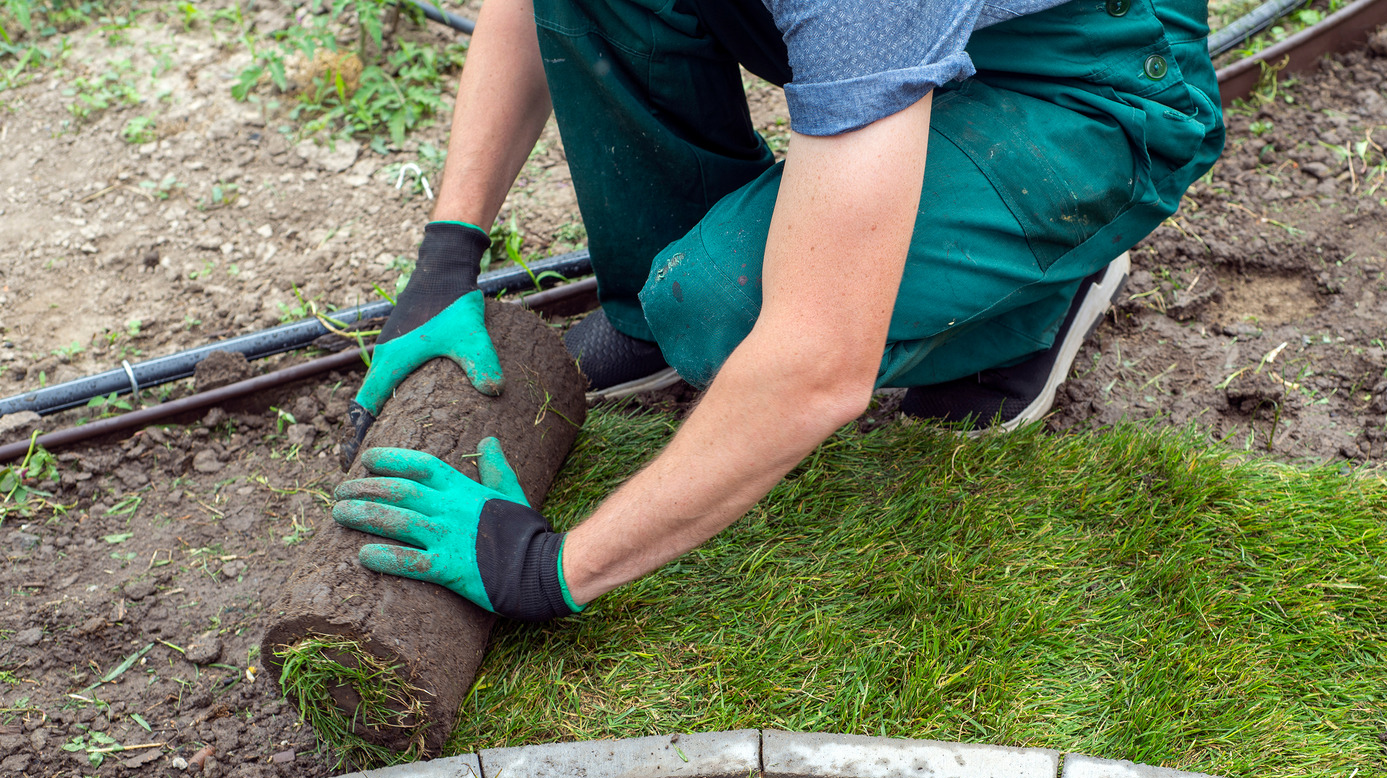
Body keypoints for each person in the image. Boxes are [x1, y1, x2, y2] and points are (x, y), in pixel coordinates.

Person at [329, 0, 1225, 624]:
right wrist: (447, 257)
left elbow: (818, 365)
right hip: (927, 28)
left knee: (723, 306)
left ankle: (1040, 289)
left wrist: (549, 569)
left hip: (1081, 76)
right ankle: (670, 304)